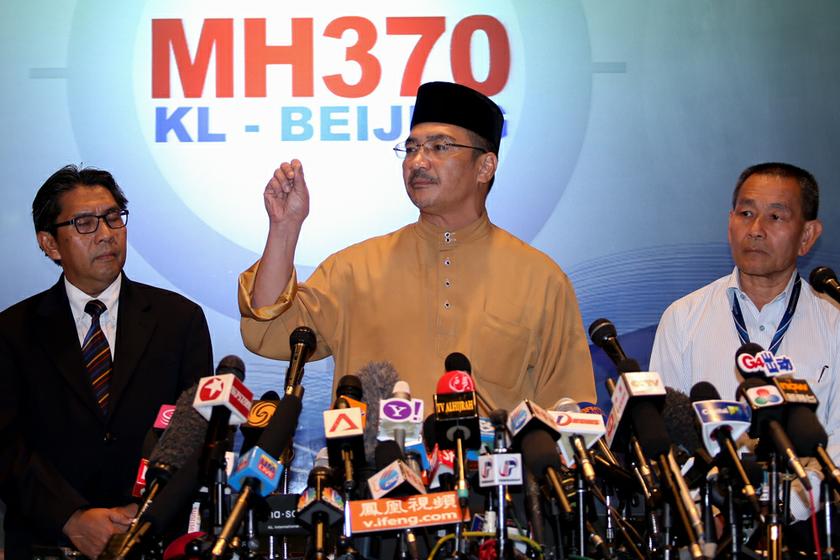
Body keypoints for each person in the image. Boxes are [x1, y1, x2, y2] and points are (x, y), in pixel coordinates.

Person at [239, 81, 596, 412]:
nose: (418, 162)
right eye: (411, 149)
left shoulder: (540, 278)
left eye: (439, 147)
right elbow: (268, 333)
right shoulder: (354, 269)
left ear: (485, 167)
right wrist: (284, 228)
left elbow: (569, 411)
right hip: (373, 460)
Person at [0, 165, 213, 558]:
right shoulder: (12, 331)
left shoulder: (179, 320)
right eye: (84, 223)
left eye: (113, 217)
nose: (106, 233)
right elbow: (6, 446)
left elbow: (196, 433)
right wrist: (71, 518)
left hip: (152, 539)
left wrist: (145, 514)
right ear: (50, 244)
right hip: (47, 542)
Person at [650, 162, 839, 524]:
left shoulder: (834, 322)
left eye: (775, 217)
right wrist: (709, 512)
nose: (755, 230)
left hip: (810, 524)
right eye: (746, 213)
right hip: (712, 524)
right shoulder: (683, 318)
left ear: (807, 235)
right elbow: (670, 437)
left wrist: (788, 507)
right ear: (730, 222)